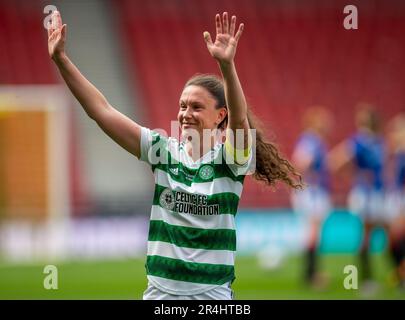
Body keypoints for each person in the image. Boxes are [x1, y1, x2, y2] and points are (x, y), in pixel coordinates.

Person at [47, 10, 302, 300]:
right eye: (182, 106)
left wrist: (227, 66)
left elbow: (240, 120)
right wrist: (62, 60)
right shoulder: (162, 151)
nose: (185, 114)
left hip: (212, 296)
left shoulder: (232, 160)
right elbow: (101, 111)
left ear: (220, 115)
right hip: (159, 294)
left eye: (196, 107)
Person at [328, 106, 386, 292]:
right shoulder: (359, 141)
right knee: (372, 235)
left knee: (379, 232)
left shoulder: (377, 141)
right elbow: (335, 160)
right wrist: (355, 176)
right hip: (366, 194)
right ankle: (367, 280)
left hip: (376, 193)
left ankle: (369, 279)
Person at [291, 106, 333, 288]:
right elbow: (300, 162)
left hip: (313, 191)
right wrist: (308, 180)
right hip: (312, 192)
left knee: (313, 234)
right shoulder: (311, 140)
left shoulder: (315, 141)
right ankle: (312, 275)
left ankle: (310, 274)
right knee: (313, 234)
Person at [385, 113, 405, 290]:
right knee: (393, 240)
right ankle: (400, 275)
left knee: (397, 238)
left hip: (401, 200)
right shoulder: (397, 154)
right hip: (396, 199)